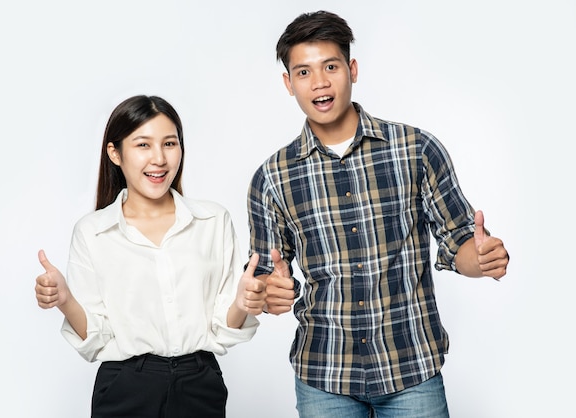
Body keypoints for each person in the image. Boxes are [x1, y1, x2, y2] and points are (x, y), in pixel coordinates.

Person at [246, 10, 510, 418]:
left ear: (352, 69)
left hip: (411, 370)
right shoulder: (271, 178)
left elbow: (461, 244)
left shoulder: (416, 149)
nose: (319, 82)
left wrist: (482, 258)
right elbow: (266, 278)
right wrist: (269, 293)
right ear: (288, 83)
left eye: (330, 66)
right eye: (303, 72)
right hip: (324, 375)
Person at [35, 95, 266, 418]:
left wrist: (242, 303)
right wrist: (64, 299)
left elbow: (221, 327)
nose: (159, 158)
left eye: (169, 143)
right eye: (143, 145)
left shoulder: (212, 221)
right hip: (125, 386)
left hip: (200, 384)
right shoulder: (93, 232)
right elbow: (96, 337)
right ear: (115, 153)